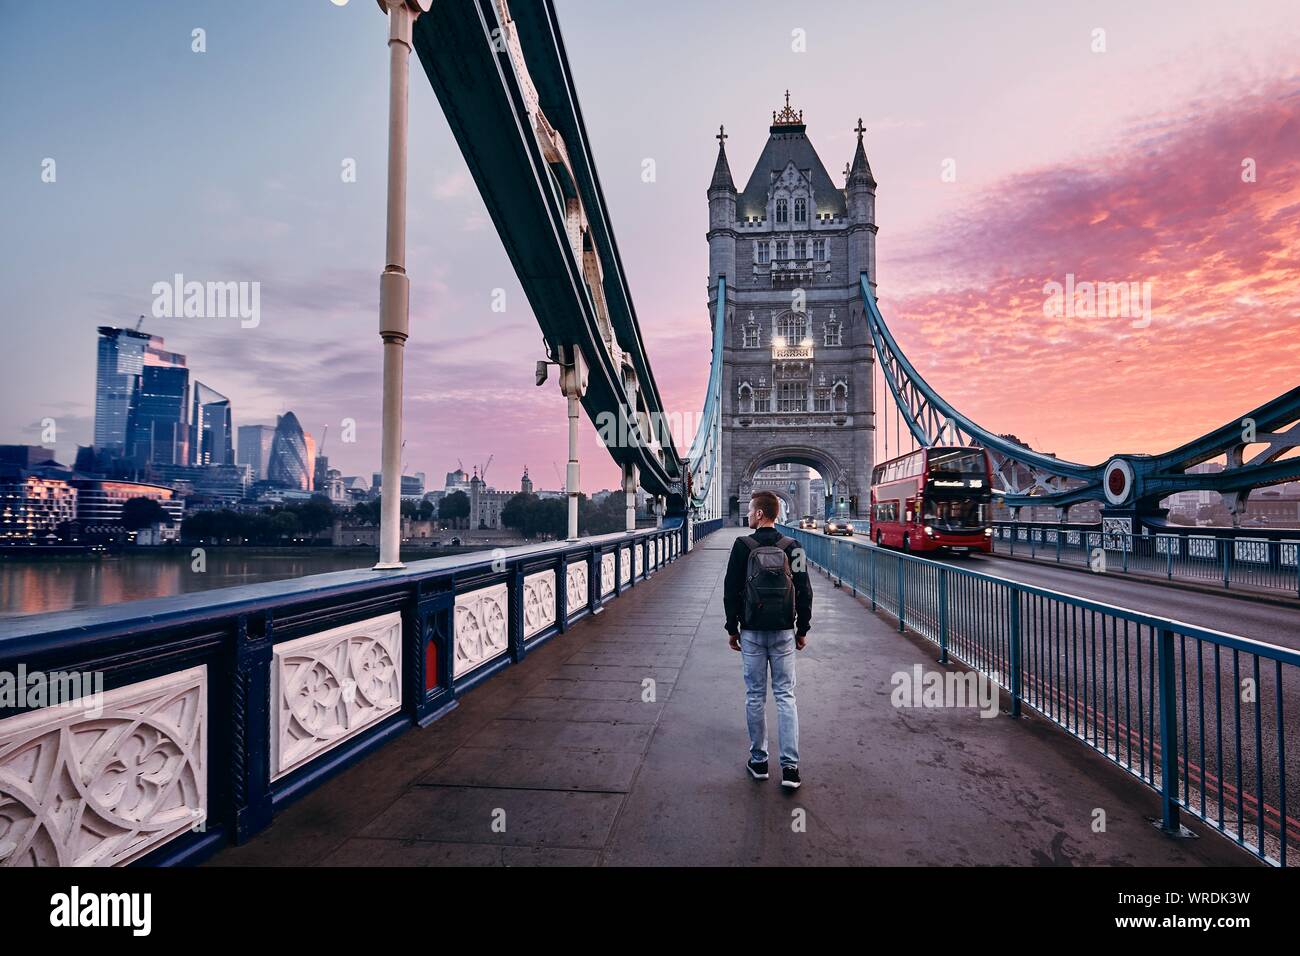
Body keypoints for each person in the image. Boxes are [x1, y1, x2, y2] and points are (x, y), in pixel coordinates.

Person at [723, 490, 813, 789]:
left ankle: (759, 761)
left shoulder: (741, 545)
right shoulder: (794, 546)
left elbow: (730, 590)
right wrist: (802, 629)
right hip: (784, 631)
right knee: (786, 696)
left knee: (755, 696)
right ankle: (790, 768)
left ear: (760, 514)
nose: (748, 515)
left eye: (750, 511)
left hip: (751, 631)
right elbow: (804, 589)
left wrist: (732, 628)